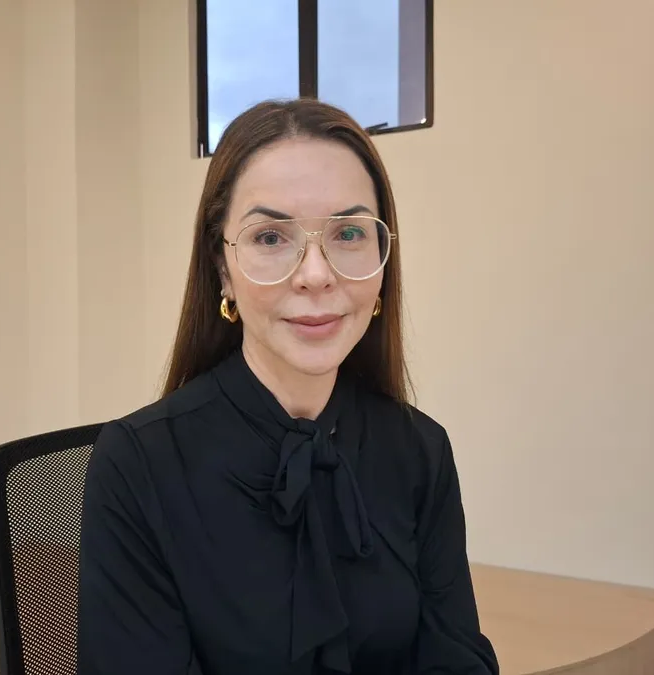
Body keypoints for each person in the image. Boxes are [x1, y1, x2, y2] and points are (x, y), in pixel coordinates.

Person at [76, 98, 499, 675]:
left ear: (383, 259)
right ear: (222, 268)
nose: (316, 275)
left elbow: (455, 659)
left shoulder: (419, 449)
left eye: (348, 232)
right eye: (271, 237)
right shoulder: (137, 466)